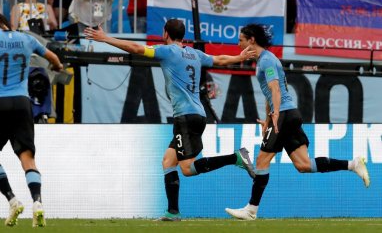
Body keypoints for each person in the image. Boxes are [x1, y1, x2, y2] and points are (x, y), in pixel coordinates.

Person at [84, 19, 256, 221]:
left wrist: (105, 38)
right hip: (197, 115)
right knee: (168, 161)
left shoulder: (168, 51)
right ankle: (173, 212)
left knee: (188, 169)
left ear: (166, 33)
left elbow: (135, 48)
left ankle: (235, 158)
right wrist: (239, 57)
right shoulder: (194, 53)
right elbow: (219, 60)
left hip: (185, 117)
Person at [224, 24, 370, 220]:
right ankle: (353, 164)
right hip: (288, 113)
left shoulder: (266, 60)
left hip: (284, 114)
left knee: (261, 161)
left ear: (252, 40)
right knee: (303, 165)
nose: (238, 43)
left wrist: (275, 115)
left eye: (241, 39)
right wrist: (268, 119)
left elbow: (275, 90)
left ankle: (251, 210)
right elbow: (272, 94)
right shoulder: (264, 60)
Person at [0, 12, 63, 227]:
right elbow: (54, 59)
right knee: (27, 157)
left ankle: (12, 199)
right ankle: (37, 202)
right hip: (22, 103)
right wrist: (58, 68)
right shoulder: (27, 39)